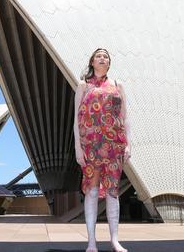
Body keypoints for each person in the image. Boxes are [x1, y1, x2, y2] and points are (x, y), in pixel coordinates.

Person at [73, 48, 130, 252]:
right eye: (98, 55)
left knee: (113, 192)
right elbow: (75, 119)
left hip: (114, 143)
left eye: (106, 56)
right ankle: (91, 242)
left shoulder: (117, 85)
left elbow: (125, 117)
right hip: (90, 144)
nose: (102, 58)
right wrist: (78, 147)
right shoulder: (83, 85)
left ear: (109, 62)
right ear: (92, 61)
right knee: (92, 190)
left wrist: (128, 144)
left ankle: (115, 240)